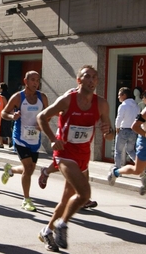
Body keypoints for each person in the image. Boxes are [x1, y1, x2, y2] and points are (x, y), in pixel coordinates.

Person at [37, 65, 114, 252]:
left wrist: (108, 131)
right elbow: (41, 117)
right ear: (79, 80)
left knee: (66, 200)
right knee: (85, 194)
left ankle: (47, 231)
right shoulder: (68, 100)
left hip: (83, 156)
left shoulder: (102, 104)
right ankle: (63, 224)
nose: (92, 80)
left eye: (95, 77)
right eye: (87, 76)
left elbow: (110, 134)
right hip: (64, 153)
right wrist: (53, 140)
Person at [0, 71, 49, 212]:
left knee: (29, 169)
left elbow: (48, 114)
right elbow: (4, 113)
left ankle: (9, 170)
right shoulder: (18, 97)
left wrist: (42, 124)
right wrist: (12, 116)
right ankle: (26, 199)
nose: (35, 83)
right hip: (20, 138)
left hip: (35, 139)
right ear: (25, 81)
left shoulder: (43, 97)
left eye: (38, 80)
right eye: (32, 80)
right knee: (28, 169)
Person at [114, 87, 138, 170]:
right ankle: (141, 167)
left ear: (124, 95)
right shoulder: (136, 106)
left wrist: (117, 128)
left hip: (123, 130)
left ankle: (117, 169)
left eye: (119, 95)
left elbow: (119, 118)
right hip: (133, 131)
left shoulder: (123, 106)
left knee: (118, 151)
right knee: (131, 150)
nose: (118, 97)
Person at [0, 82, 13, 150]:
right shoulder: (10, 95)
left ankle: (1, 144)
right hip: (9, 113)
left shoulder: (0, 96)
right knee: (8, 127)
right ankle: (10, 140)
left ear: (1, 89)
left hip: (1, 113)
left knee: (0, 128)